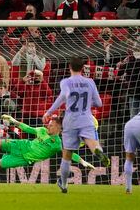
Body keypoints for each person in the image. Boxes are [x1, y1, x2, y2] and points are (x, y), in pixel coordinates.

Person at [43, 56, 110, 193]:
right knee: (92, 143)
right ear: (83, 68)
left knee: (67, 155)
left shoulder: (66, 82)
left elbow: (63, 97)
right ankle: (99, 151)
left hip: (70, 120)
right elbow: (99, 103)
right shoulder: (90, 82)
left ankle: (64, 184)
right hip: (86, 118)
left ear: (69, 67)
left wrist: (49, 112)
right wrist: (85, 105)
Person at [0, 115, 95, 172]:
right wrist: (13, 120)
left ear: (58, 128)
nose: (48, 127)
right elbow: (27, 128)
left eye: (51, 125)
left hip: (23, 158)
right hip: (21, 144)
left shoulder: (57, 144)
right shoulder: (42, 130)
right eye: (48, 124)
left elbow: (69, 154)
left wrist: (83, 162)